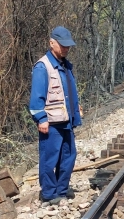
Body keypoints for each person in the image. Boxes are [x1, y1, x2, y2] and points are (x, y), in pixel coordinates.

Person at [29, 26, 83, 205]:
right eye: (63, 45)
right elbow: (37, 96)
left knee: (68, 156)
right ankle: (50, 194)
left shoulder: (66, 65)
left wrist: (76, 108)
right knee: (49, 158)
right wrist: (41, 119)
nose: (66, 49)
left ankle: (61, 189)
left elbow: (68, 92)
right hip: (51, 122)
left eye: (68, 46)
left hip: (66, 120)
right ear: (52, 43)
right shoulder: (42, 66)